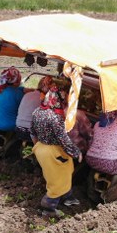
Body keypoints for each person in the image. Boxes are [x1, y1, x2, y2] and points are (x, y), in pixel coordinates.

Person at [30, 81, 82, 213]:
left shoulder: (37, 111)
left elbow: (32, 132)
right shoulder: (55, 118)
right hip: (53, 152)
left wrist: (37, 147)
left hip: (41, 148)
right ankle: (48, 206)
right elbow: (63, 139)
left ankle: (67, 197)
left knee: (65, 171)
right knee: (57, 181)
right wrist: (77, 153)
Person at [16, 74, 52, 141]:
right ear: (45, 86)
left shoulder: (27, 94)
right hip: (31, 134)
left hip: (18, 129)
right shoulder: (44, 99)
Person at [0, 66, 25, 132]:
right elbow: (24, 108)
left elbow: (15, 90)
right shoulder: (17, 93)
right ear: (15, 81)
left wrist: (22, 89)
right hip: (10, 125)